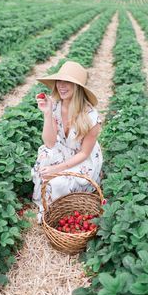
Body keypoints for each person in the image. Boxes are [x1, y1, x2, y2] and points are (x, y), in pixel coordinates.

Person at [31, 61, 103, 223]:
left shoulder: (91, 117)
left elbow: (84, 153)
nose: (61, 86)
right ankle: (48, 200)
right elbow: (49, 143)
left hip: (82, 158)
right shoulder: (56, 105)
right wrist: (47, 114)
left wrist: (56, 169)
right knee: (44, 157)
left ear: (77, 87)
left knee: (57, 182)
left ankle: (56, 208)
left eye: (68, 82)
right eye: (59, 81)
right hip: (63, 150)